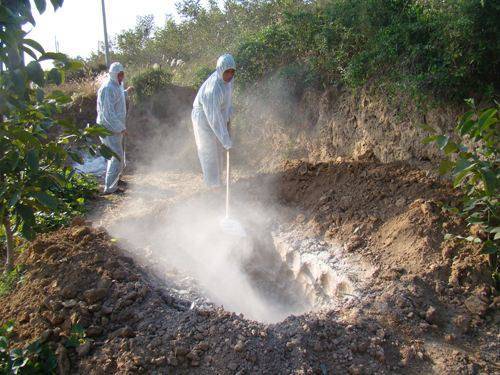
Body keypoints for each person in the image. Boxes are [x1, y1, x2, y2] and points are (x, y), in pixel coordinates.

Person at [192, 54, 236, 188]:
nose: (229, 75)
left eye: (232, 72)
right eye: (226, 72)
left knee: (218, 149)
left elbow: (226, 101)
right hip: (203, 118)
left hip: (216, 114)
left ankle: (219, 181)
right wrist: (226, 140)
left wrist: (228, 117)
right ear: (220, 70)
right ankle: (212, 186)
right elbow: (214, 119)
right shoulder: (212, 90)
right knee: (208, 151)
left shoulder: (229, 80)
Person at [96, 62, 133, 194]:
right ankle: (110, 188)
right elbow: (108, 114)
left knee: (118, 155)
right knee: (115, 156)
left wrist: (126, 92)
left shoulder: (116, 86)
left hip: (116, 128)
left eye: (122, 74)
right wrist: (120, 128)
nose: (122, 77)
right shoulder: (107, 88)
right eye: (120, 74)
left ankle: (116, 180)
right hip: (108, 128)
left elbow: (117, 97)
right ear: (113, 74)